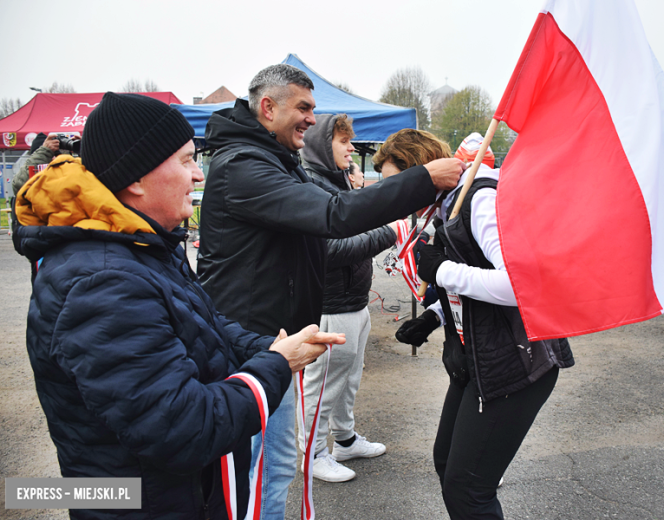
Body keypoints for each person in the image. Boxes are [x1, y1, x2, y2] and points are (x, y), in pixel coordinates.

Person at [14, 92, 342, 520]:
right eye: (187, 161)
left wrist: (267, 346)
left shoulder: (137, 245)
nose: (198, 176)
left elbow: (200, 323)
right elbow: (185, 428)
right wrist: (277, 364)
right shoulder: (104, 280)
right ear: (135, 178)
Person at [197, 64, 465, 515]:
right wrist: (421, 180)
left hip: (279, 342)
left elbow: (325, 228)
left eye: (313, 109)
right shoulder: (243, 166)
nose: (310, 119)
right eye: (303, 108)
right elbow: (334, 217)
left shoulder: (273, 159)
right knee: (255, 470)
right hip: (249, 344)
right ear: (268, 107)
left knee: (278, 466)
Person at [389, 132, 575, 520]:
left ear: (424, 169)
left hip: (517, 363)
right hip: (476, 360)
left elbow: (518, 285)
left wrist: (443, 270)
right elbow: (471, 287)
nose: (394, 196)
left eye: (398, 184)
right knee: (447, 465)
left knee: (468, 489)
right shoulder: (445, 207)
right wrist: (434, 316)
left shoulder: (480, 199)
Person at [298, 113, 395, 482]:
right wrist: (391, 233)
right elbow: (331, 250)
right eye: (343, 141)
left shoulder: (339, 182)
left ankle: (345, 439)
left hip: (355, 301)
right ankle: (312, 455)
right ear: (324, 145)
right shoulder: (312, 187)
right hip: (332, 307)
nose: (352, 147)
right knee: (322, 384)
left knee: (349, 378)